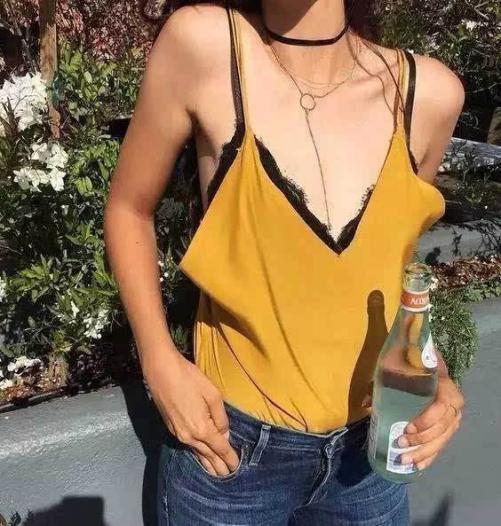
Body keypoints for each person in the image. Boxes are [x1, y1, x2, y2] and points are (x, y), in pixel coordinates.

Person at [103, 1, 466, 524]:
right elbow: (128, 208)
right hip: (228, 453)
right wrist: (159, 362)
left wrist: (433, 374)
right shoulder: (208, 47)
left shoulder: (428, 94)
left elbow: (389, 268)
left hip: (369, 465)